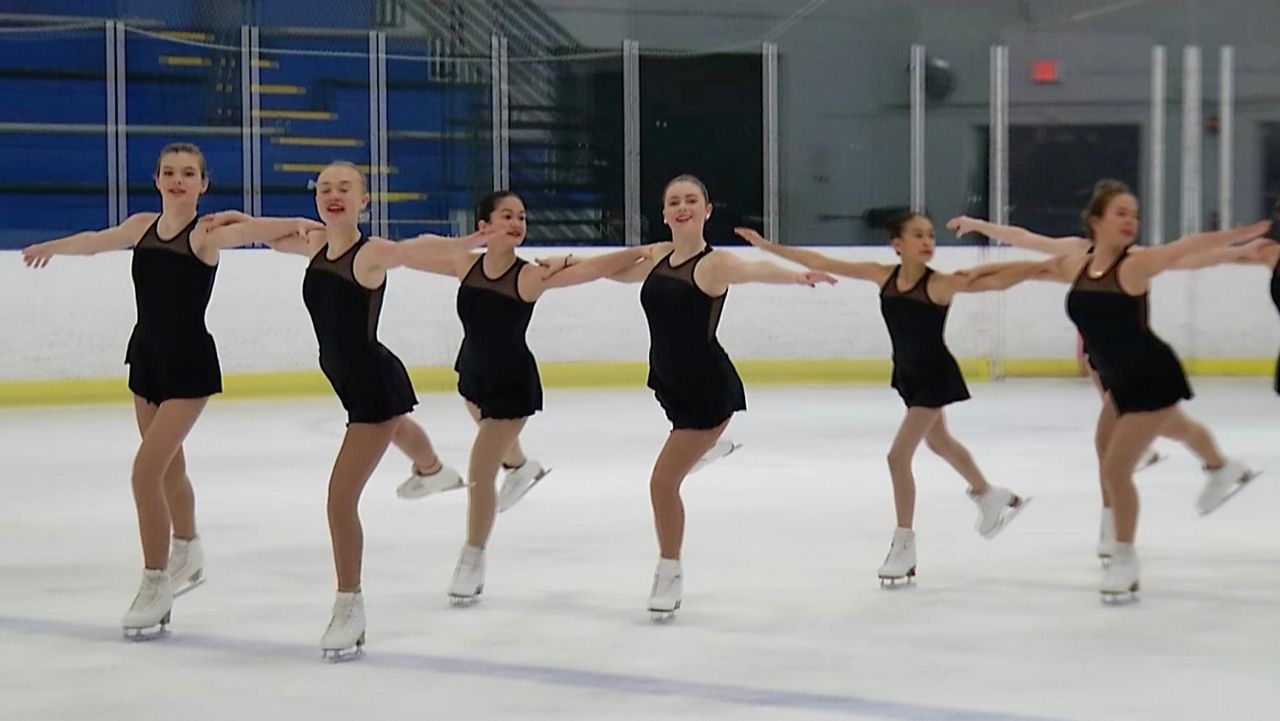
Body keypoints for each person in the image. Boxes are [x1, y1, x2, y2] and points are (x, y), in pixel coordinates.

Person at [21, 142, 323, 640]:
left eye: (188, 173)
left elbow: (255, 232)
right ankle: (189, 548)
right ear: (157, 180)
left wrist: (297, 222)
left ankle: (155, 581)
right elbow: (98, 240)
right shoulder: (142, 225)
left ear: (203, 184)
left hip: (187, 365)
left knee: (145, 473)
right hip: (145, 359)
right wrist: (53, 247)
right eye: (169, 172)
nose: (177, 179)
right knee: (170, 470)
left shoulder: (205, 234)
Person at [965, 180, 1268, 601]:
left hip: (1151, 377)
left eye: (1135, 214)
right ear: (1096, 222)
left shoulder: (1136, 265)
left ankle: (1123, 555)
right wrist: (975, 274)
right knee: (1157, 433)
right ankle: (1221, 468)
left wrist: (1238, 242)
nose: (1131, 221)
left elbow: (1188, 250)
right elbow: (1033, 266)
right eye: (1121, 213)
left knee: (1116, 468)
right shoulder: (1077, 264)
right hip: (1118, 380)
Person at [220, 161, 473, 659]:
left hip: (372, 387)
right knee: (400, 427)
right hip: (355, 381)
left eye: (346, 188)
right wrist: (240, 216)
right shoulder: (314, 245)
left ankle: (349, 606)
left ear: (365, 201)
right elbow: (269, 237)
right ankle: (433, 469)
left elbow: (410, 249)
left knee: (339, 500)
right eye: (326, 188)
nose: (333, 195)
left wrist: (465, 245)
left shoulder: (370, 252)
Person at [735, 213, 1032, 588]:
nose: (927, 241)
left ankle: (904, 544)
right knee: (940, 442)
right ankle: (989, 494)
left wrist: (1047, 267)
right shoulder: (883, 275)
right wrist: (766, 247)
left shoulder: (939, 283)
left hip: (933, 375)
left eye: (930, 235)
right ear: (897, 244)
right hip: (908, 374)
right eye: (917, 235)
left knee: (897, 457)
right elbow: (821, 262)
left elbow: (990, 281)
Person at [391, 189, 658, 605]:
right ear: (484, 225)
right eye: (506, 216)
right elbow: (408, 252)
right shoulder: (465, 263)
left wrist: (635, 250)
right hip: (473, 376)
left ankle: (473, 556)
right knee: (492, 442)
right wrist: (462, 242)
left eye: (521, 217)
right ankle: (522, 467)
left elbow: (596, 270)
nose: (517, 223)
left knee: (480, 464)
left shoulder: (530, 275)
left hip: (513, 383)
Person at [607, 174, 837, 619]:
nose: (683, 207)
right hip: (671, 386)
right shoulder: (656, 257)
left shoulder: (713, 265)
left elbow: (754, 270)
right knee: (674, 467)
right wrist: (563, 265)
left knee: (661, 483)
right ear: (664, 212)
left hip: (706, 390)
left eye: (692, 199)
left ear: (707, 210)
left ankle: (669, 570)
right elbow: (614, 272)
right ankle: (704, 451)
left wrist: (797, 276)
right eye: (674, 201)